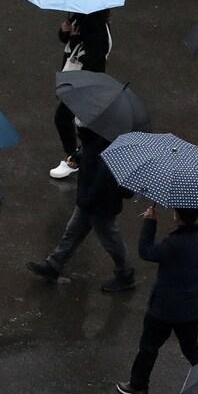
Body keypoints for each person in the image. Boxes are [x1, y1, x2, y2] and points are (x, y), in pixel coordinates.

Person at [116, 206, 198, 394]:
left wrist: (150, 221)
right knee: (191, 348)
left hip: (163, 309)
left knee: (149, 346)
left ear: (176, 215)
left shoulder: (173, 242)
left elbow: (146, 251)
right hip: (191, 308)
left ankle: (138, 386)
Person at [26, 125, 135, 292]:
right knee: (73, 231)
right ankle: (53, 265)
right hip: (89, 197)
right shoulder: (98, 136)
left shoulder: (109, 142)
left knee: (110, 239)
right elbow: (88, 149)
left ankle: (125, 274)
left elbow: (108, 178)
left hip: (100, 202)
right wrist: (78, 156)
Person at [49, 10, 112, 179]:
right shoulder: (79, 19)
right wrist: (65, 31)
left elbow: (95, 61)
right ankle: (76, 156)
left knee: (70, 120)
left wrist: (76, 38)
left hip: (85, 84)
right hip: (74, 80)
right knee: (76, 122)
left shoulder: (98, 32)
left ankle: (75, 159)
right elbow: (66, 42)